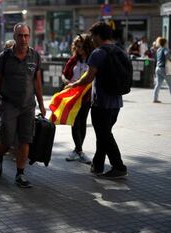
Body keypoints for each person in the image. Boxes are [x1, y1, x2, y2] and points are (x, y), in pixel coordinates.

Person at [65, 21, 128, 179]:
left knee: (105, 135)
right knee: (103, 133)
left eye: (93, 36)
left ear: (99, 36)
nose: (91, 39)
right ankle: (98, 165)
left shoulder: (98, 53)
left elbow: (88, 77)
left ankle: (118, 167)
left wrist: (73, 84)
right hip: (116, 102)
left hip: (101, 102)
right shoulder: (119, 51)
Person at [0, 22, 46, 188]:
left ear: (30, 36)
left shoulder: (35, 56)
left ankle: (20, 174)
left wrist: (42, 105)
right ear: (14, 37)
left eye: (26, 35)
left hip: (28, 105)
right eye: (20, 35)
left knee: (25, 140)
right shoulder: (5, 56)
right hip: (9, 104)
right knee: (7, 139)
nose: (23, 38)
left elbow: (37, 83)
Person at [61, 34, 94, 164]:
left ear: (87, 46)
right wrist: (67, 81)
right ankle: (79, 151)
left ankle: (77, 150)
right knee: (74, 121)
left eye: (81, 46)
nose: (79, 49)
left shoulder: (92, 59)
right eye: (77, 46)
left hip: (86, 96)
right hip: (73, 95)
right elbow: (64, 74)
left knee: (82, 121)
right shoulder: (73, 60)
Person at [153, 37, 171, 103]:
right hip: (164, 69)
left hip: (158, 68)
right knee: (170, 84)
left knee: (158, 84)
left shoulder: (159, 49)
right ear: (165, 43)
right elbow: (167, 55)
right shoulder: (165, 49)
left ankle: (155, 98)